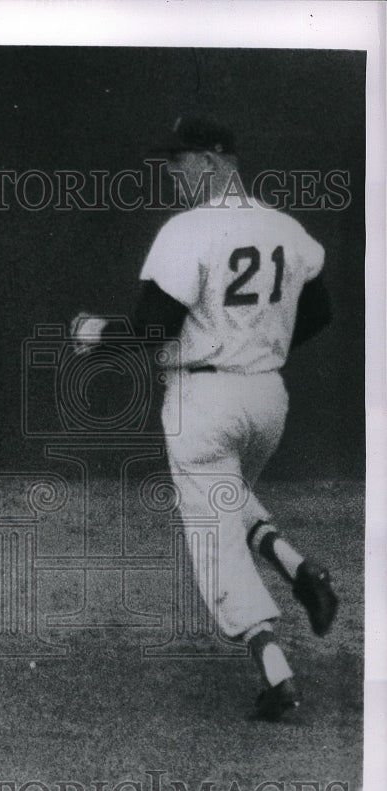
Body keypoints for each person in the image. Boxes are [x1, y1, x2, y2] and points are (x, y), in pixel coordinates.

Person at [133, 115, 338, 721]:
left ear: (215, 160)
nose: (171, 171)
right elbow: (319, 313)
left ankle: (277, 676)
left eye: (180, 159)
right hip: (267, 399)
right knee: (229, 497)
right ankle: (299, 568)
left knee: (213, 539)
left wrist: (98, 334)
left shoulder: (186, 230)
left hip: (202, 401)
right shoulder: (285, 226)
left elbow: (150, 327)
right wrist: (255, 349)